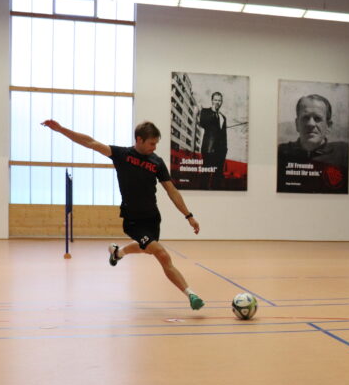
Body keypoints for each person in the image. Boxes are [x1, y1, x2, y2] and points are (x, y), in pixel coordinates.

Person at [41, 119, 205, 311]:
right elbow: (90, 142)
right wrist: (60, 129)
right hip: (133, 220)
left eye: (156, 143)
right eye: (152, 143)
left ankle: (117, 252)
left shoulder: (157, 162)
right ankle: (191, 294)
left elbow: (172, 191)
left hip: (152, 218)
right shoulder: (122, 155)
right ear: (139, 140)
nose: (155, 147)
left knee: (147, 249)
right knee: (162, 254)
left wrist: (189, 215)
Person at [276, 94, 349, 193]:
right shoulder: (280, 154)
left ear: (329, 126)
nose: (311, 124)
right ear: (297, 124)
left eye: (317, 118)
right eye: (305, 118)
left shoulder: (344, 154)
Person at [198, 91, 228, 189]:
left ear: (222, 102)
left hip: (221, 151)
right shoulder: (206, 112)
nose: (217, 102)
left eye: (219, 100)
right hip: (209, 149)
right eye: (215, 100)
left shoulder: (223, 117)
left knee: (218, 176)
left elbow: (224, 135)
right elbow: (202, 123)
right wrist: (213, 112)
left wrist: (225, 149)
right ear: (212, 101)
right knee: (205, 174)